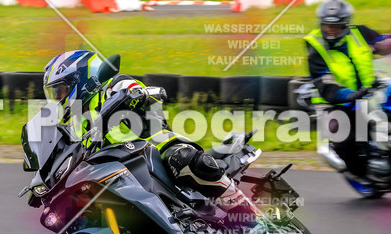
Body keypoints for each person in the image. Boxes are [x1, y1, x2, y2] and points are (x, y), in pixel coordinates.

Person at [42, 50, 244, 205]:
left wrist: (139, 94)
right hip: (119, 171)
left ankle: (250, 219)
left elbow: (139, 92)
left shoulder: (114, 86)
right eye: (54, 94)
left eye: (61, 90)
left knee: (183, 159)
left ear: (81, 79)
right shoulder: (77, 124)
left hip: (154, 149)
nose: (58, 98)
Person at [304, 0, 391, 181]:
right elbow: (324, 83)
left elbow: (385, 43)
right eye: (327, 26)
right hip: (333, 101)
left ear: (346, 24)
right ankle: (361, 174)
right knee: (345, 138)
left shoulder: (360, 32)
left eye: (336, 26)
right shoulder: (315, 46)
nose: (331, 30)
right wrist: (349, 95)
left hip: (370, 92)